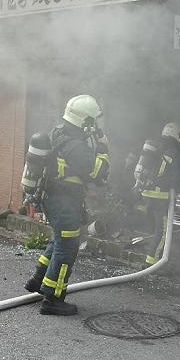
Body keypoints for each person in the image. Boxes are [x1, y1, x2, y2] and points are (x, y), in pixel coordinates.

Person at [22, 94, 110, 316]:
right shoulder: (75, 145)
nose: (96, 125)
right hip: (64, 201)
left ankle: (38, 280)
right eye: (93, 120)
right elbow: (97, 173)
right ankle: (53, 299)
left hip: (54, 200)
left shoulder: (60, 132)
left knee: (59, 239)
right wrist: (103, 149)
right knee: (67, 248)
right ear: (85, 120)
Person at [134, 122, 180, 266]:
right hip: (161, 197)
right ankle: (152, 263)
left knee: (157, 227)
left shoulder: (154, 145)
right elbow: (176, 175)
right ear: (176, 135)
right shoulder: (173, 151)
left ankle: (153, 256)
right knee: (163, 230)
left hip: (147, 192)